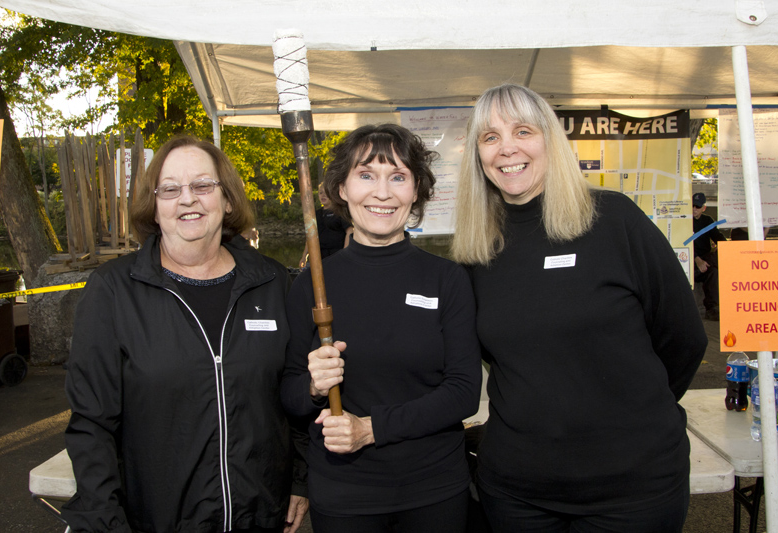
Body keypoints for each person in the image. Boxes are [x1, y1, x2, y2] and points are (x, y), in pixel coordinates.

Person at [451, 84, 707, 533]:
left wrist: (629, 414)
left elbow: (683, 337)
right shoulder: (477, 248)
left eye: (523, 131)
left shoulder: (615, 220)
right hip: (518, 491)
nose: (507, 148)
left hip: (632, 488)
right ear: (478, 155)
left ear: (550, 140)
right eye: (490, 137)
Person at [63, 135, 308, 533]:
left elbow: (292, 392)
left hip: (260, 514)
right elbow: (91, 424)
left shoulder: (272, 282)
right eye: (170, 189)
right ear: (154, 206)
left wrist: (300, 478)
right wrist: (105, 522)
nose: (187, 199)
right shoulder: (113, 290)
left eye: (202, 185)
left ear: (227, 200)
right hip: (157, 520)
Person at [282, 124, 482, 533]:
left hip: (434, 489)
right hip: (344, 494)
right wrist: (314, 386)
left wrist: (371, 429)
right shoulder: (312, 285)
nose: (383, 192)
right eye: (366, 175)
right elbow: (289, 396)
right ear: (342, 188)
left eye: (398, 177)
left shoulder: (447, 279)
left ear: (416, 191)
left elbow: (464, 392)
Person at [298, 183, 353, 268]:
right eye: (320, 193)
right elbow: (311, 236)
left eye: (326, 193)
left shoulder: (340, 212)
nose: (323, 195)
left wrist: (345, 252)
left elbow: (350, 231)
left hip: (336, 254)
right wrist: (305, 256)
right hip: (319, 255)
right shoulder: (315, 214)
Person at [692, 192, 726, 321]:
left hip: (705, 261)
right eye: (692, 205)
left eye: (697, 206)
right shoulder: (684, 221)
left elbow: (718, 236)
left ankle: (712, 309)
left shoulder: (707, 221)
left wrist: (723, 246)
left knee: (713, 272)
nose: (694, 209)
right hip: (690, 260)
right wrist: (697, 259)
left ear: (704, 208)